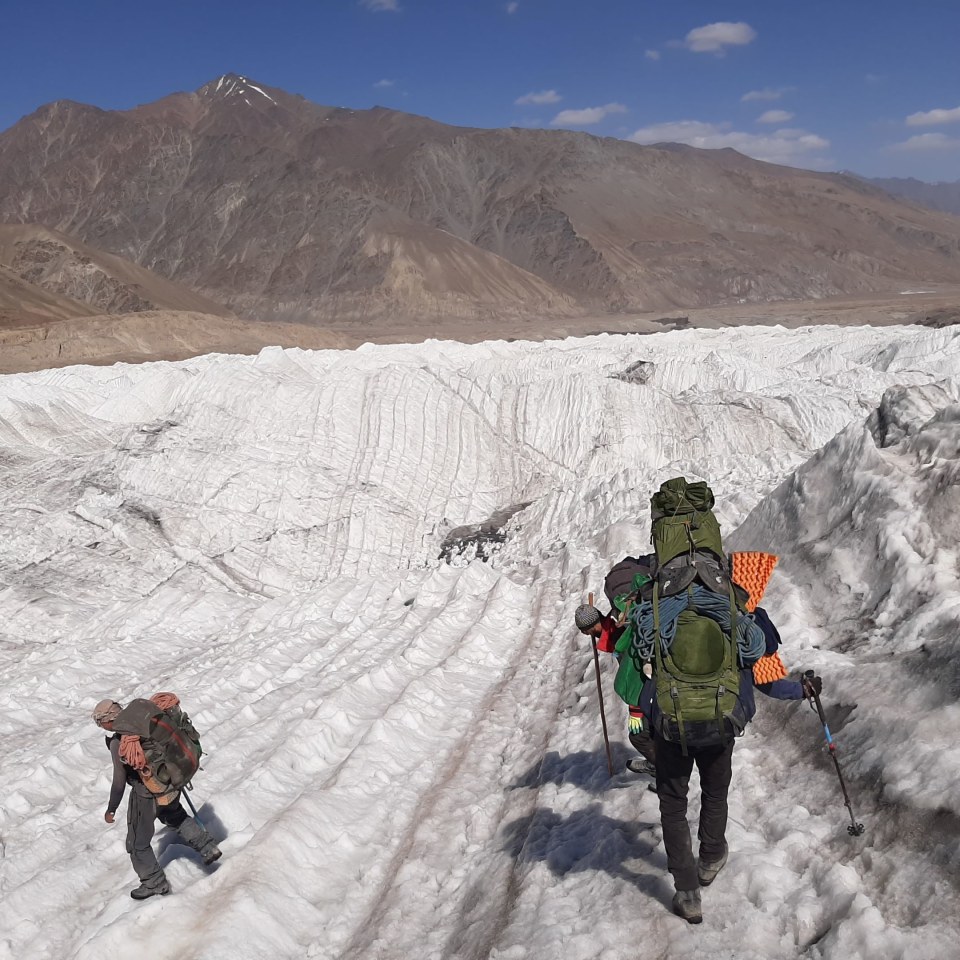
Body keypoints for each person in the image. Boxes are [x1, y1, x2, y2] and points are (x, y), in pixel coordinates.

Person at [93, 698, 222, 900]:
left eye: (100, 723)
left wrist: (112, 808)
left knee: (137, 843)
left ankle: (154, 884)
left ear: (108, 720)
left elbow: (119, 782)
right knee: (175, 815)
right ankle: (207, 847)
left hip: (147, 793)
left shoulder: (121, 740)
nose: (101, 727)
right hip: (169, 780)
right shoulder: (142, 722)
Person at [574, 603, 656, 774]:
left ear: (589, 628)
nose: (584, 634)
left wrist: (635, 709)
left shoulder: (618, 636)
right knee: (653, 732)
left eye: (584, 631)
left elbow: (638, 672)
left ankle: (665, 773)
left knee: (639, 736)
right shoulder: (614, 622)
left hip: (649, 690)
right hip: (648, 691)